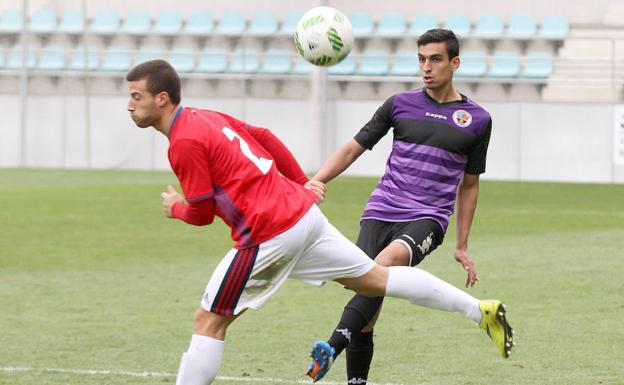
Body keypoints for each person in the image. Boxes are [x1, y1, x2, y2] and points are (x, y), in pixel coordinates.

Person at [125, 59, 513, 385]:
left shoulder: (183, 142)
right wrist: (301, 183)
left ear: (162, 99)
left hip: (269, 234)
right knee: (375, 279)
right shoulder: (203, 116)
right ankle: (479, 310)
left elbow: (201, 212)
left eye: (136, 96)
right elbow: (264, 135)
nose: (130, 105)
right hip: (304, 217)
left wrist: (175, 206)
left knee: (209, 321)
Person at [306, 29, 507, 385]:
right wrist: (317, 180)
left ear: (454, 63)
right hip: (381, 208)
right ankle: (357, 382)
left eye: (435, 59)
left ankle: (332, 345)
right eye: (421, 59)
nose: (426, 68)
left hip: (428, 218)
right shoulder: (399, 104)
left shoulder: (477, 119)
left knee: (380, 267)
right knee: (369, 293)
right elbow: (353, 148)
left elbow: (471, 184)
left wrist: (461, 244)